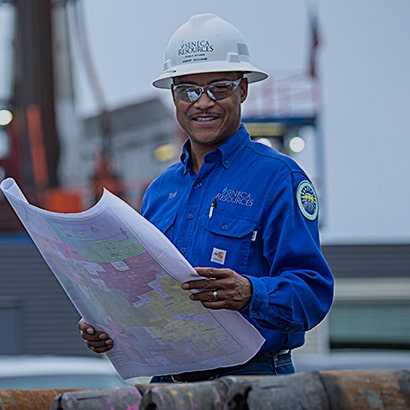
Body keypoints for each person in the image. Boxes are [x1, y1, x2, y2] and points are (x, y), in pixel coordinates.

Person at [78, 13, 334, 383]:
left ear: (242, 90)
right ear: (173, 96)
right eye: (188, 90)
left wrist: (251, 293)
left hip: (254, 381)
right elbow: (144, 294)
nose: (203, 102)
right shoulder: (160, 192)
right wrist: (108, 322)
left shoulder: (278, 179)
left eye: (219, 87)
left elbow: (312, 292)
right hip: (169, 384)